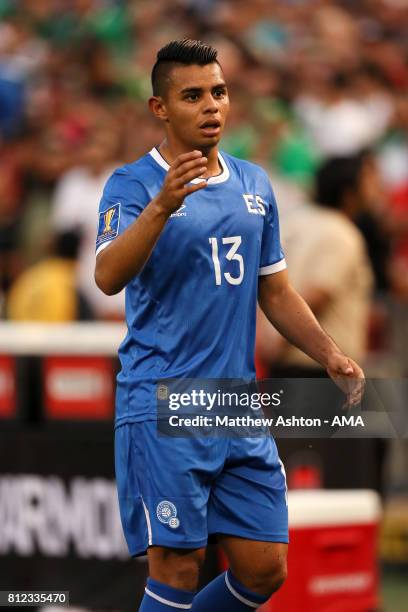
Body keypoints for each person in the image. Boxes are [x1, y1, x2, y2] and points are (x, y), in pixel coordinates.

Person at [94, 40, 364, 612]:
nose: (211, 106)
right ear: (159, 108)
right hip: (163, 400)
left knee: (265, 569)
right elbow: (107, 276)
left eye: (218, 92)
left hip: (236, 406)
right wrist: (162, 206)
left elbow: (277, 290)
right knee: (179, 568)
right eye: (192, 96)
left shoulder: (254, 184)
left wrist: (329, 353)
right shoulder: (134, 184)